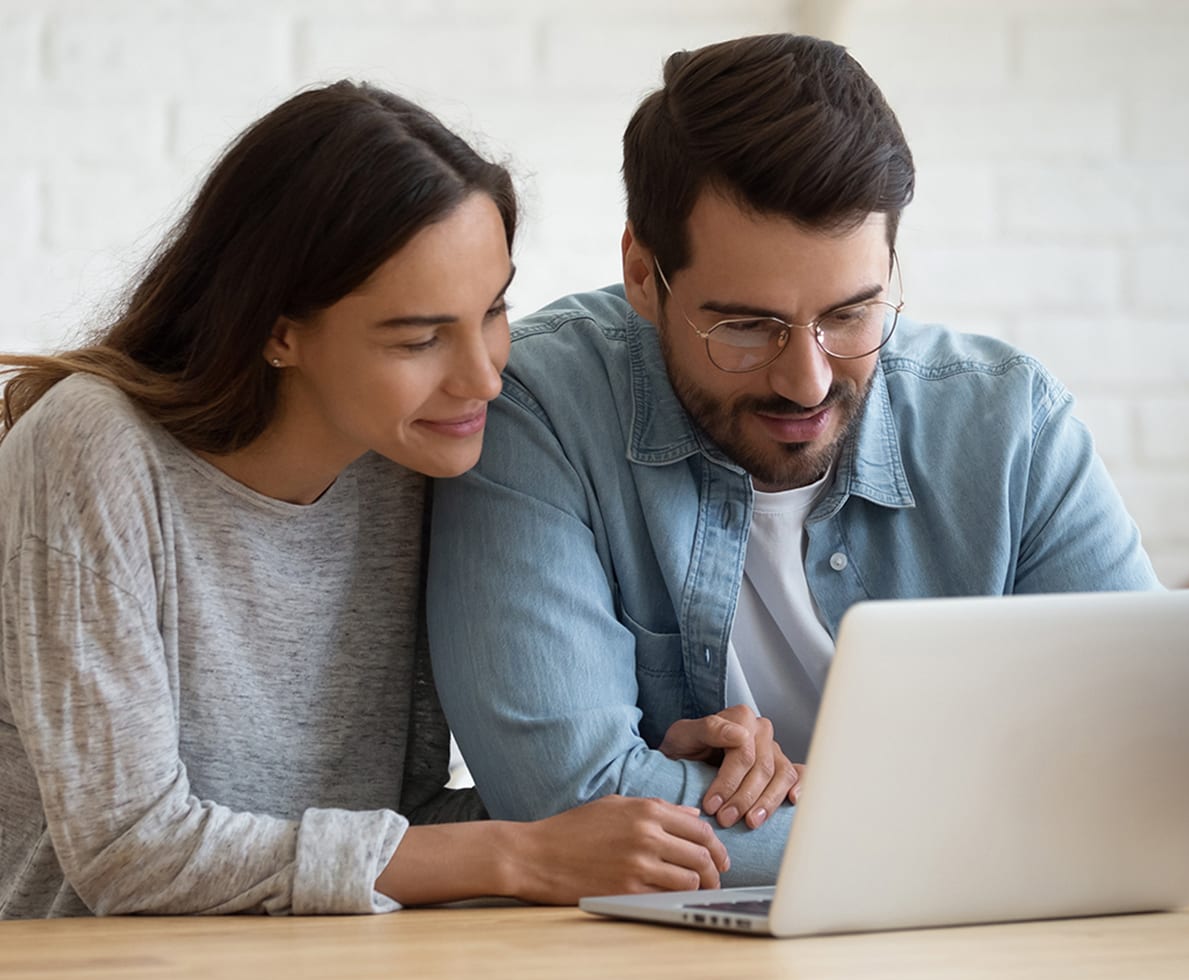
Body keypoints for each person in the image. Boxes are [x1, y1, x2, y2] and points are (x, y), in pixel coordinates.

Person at [427, 34, 1189, 887]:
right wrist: (1012, 824)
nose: (806, 381)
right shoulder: (537, 409)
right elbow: (565, 802)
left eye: (852, 314)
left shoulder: (1009, 424)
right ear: (643, 274)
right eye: (747, 327)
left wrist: (825, 812)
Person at [0, 81, 731, 920]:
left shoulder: (403, 461)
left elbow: (389, 834)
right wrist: (519, 851)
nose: (485, 377)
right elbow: (131, 853)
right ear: (278, 330)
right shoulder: (95, 448)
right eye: (419, 338)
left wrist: (637, 791)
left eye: (493, 311)